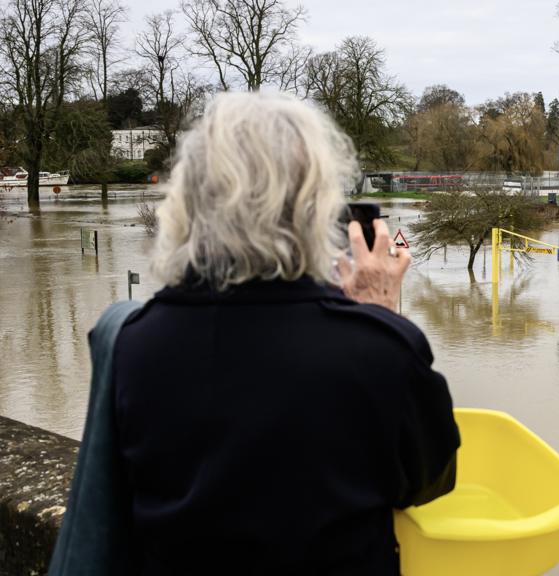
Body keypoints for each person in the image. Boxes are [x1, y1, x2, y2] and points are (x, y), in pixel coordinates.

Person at [112, 92, 460, 574]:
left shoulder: (134, 344)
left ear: (188, 201)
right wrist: (382, 316)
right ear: (313, 205)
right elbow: (430, 480)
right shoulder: (376, 350)